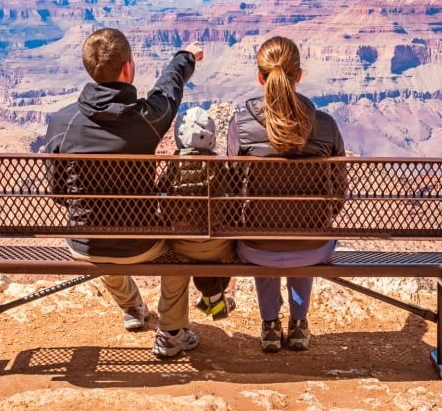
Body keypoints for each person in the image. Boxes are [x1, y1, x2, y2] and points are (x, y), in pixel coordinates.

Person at [44, 27, 204, 359]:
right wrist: (185, 57)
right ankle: (172, 332)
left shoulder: (63, 122)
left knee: (101, 239)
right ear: (128, 69)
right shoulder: (148, 118)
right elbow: (169, 88)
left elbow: (59, 193)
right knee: (184, 247)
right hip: (140, 244)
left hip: (85, 244)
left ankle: (133, 308)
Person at [227, 36, 346, 353]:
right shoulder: (326, 125)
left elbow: (230, 189)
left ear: (260, 77)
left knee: (261, 228)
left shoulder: (242, 125)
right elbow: (338, 195)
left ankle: (269, 325)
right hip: (314, 246)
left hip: (256, 248)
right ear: (299, 76)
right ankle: (298, 324)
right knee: (303, 227)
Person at [161, 106, 236, 319]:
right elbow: (230, 207)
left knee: (196, 244)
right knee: (219, 245)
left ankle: (212, 299)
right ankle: (213, 299)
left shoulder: (172, 168)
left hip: (180, 244)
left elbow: (164, 207)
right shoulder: (219, 168)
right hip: (219, 245)